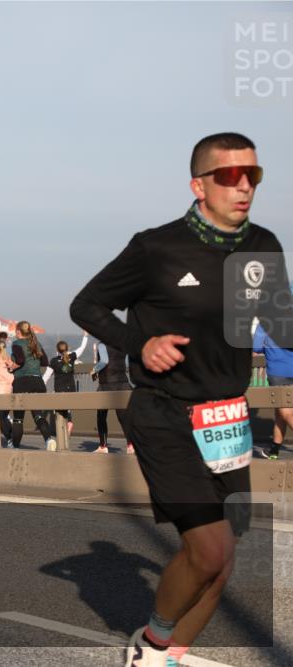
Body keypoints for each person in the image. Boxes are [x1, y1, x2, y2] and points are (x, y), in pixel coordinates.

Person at [70, 132, 291, 667]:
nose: (243, 187)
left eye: (252, 176)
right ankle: (150, 646)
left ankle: (170, 655)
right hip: (165, 413)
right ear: (198, 185)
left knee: (222, 560)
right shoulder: (157, 248)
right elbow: (87, 306)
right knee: (209, 547)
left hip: (228, 417)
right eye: (228, 176)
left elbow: (281, 324)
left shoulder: (263, 246)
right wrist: (139, 343)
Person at [10, 320, 57, 451]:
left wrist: (13, 366)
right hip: (37, 382)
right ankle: (49, 440)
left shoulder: (17, 344)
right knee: (38, 415)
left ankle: (16, 447)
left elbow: (20, 360)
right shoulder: (36, 343)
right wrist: (33, 363)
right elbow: (45, 361)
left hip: (22, 382)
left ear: (18, 332)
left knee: (18, 418)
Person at [253, 324, 293, 459]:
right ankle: (274, 450)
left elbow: (256, 348)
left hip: (278, 371)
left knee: (286, 412)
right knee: (280, 413)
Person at [92, 341, 135, 454]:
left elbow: (104, 361)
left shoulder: (102, 344)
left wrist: (94, 370)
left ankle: (103, 445)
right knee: (123, 417)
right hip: (122, 383)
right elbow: (128, 361)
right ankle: (131, 445)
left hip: (106, 383)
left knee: (101, 415)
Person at [47, 332, 89, 436]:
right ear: (67, 348)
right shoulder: (72, 356)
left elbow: (46, 376)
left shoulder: (54, 361)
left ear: (57, 350)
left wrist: (41, 385)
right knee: (68, 407)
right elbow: (82, 348)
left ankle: (63, 428)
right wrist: (85, 336)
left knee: (59, 410)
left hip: (59, 389)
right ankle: (69, 422)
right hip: (71, 388)